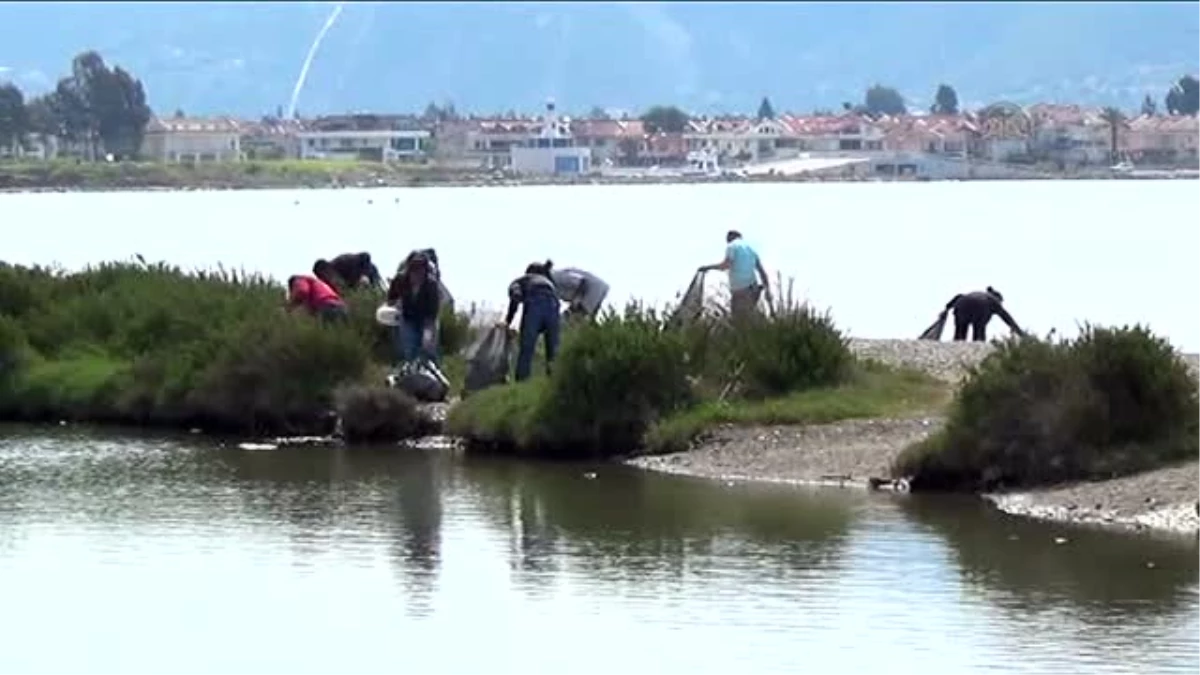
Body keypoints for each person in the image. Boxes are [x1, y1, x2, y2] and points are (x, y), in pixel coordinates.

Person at [501, 261, 561, 382]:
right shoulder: (549, 282)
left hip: (535, 303)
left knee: (527, 347)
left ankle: (522, 381)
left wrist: (508, 321)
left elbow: (515, 296)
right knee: (553, 351)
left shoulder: (522, 280)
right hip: (554, 305)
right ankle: (555, 380)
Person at [698, 230, 770, 319]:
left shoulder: (731, 246)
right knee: (750, 318)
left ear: (730, 238)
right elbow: (762, 272)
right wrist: (767, 290)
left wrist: (708, 267)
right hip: (753, 289)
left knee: (739, 320)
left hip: (741, 291)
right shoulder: (751, 249)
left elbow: (725, 265)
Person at [386, 252, 442, 365]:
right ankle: (411, 374)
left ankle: (431, 373)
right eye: (414, 270)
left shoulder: (431, 285)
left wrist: (427, 334)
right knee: (409, 350)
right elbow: (391, 298)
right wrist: (394, 306)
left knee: (428, 349)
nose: (417, 275)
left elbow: (432, 313)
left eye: (421, 271)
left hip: (427, 319)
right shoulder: (400, 280)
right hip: (408, 318)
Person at [943, 286, 1024, 342]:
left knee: (960, 332)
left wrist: (947, 308)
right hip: (980, 306)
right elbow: (1008, 319)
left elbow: (958, 296)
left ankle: (958, 343)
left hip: (961, 304)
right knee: (979, 330)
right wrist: (1021, 333)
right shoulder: (993, 300)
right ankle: (977, 341)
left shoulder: (977, 294)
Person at [313, 252, 382, 291]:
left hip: (369, 271)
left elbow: (365, 256)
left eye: (326, 274)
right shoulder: (330, 282)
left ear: (328, 267)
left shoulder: (342, 261)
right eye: (325, 277)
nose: (328, 278)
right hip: (356, 285)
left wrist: (364, 275)